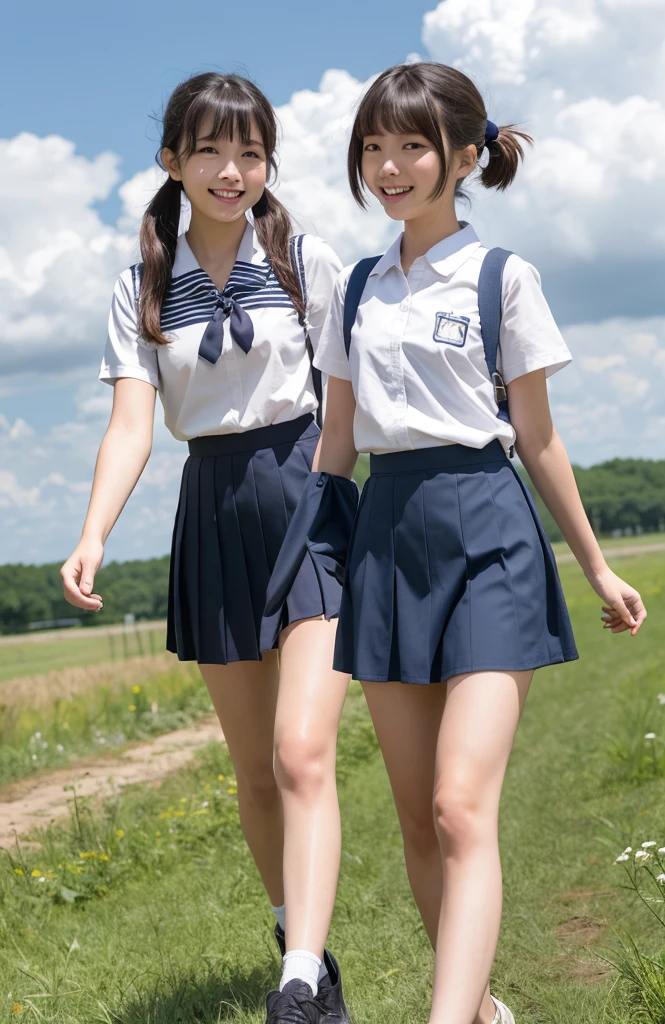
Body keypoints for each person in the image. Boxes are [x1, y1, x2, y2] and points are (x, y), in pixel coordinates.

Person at [296, 61, 646, 1024]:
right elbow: (335, 436)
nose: (388, 166)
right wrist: (305, 550)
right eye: (372, 146)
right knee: (416, 816)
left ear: (462, 154)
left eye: (410, 145)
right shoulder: (357, 286)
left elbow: (537, 437)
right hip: (385, 537)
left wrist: (597, 565)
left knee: (459, 805)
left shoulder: (504, 277)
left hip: (488, 531)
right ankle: (483, 1008)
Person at [60, 71, 353, 1024]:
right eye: (213, 152)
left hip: (308, 495)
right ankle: (294, 932)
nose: (233, 172)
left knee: (304, 752)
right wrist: (94, 534)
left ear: (269, 161)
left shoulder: (305, 259)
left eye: (252, 153)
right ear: (173, 161)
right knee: (256, 772)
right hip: (215, 506)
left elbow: (348, 392)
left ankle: (300, 983)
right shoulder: (141, 283)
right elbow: (132, 427)